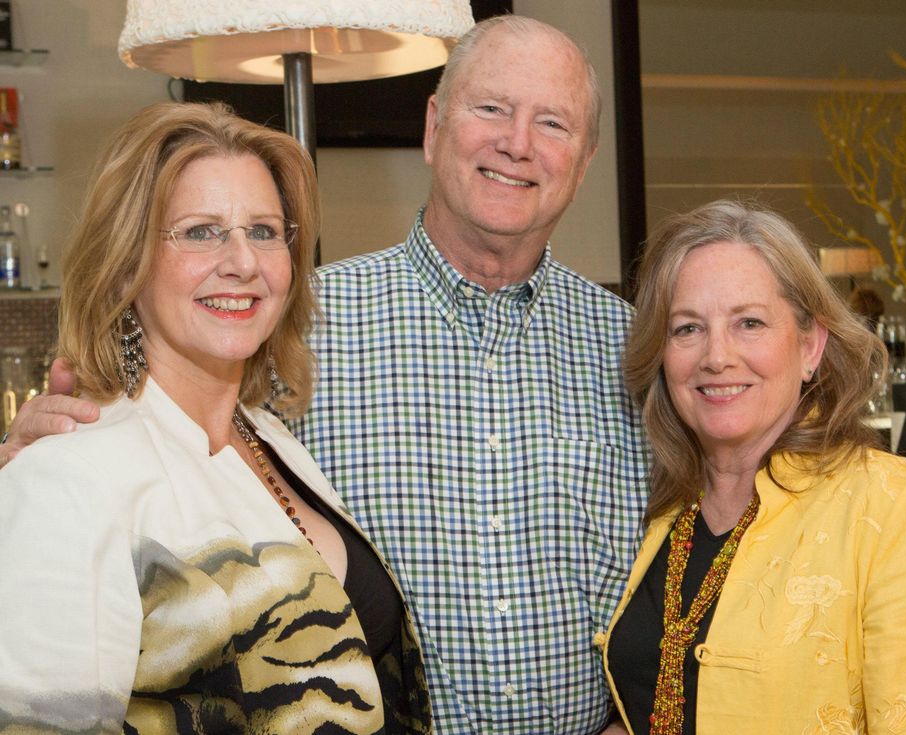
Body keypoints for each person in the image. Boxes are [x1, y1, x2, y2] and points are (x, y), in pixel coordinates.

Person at [0, 16, 648, 735]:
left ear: (585, 161)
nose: (517, 142)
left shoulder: (639, 349)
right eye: (491, 107)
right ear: (434, 127)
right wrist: (47, 450)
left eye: (552, 122)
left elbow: (700, 562)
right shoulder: (297, 331)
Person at [0, 102, 429, 734]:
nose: (243, 262)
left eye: (263, 230)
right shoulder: (69, 475)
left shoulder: (271, 437)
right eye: (201, 231)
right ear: (127, 261)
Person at [600, 199, 906, 734]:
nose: (716, 356)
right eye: (687, 329)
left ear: (810, 344)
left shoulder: (899, 510)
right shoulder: (656, 506)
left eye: (749, 322)